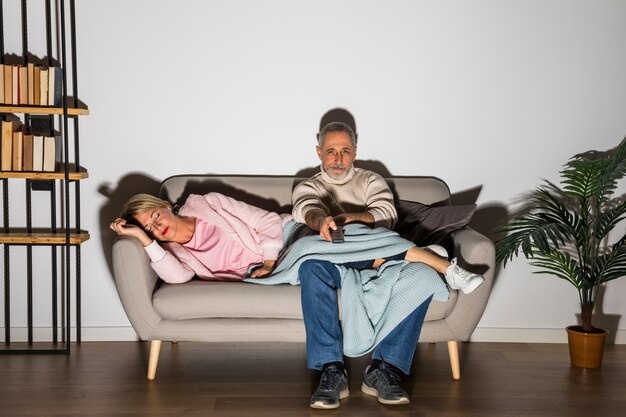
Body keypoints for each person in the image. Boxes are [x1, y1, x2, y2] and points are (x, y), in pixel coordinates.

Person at [292, 121, 484, 409]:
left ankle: (384, 370)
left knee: (421, 274)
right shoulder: (309, 185)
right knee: (310, 265)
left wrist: (343, 221)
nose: (338, 158)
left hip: (378, 255)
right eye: (331, 151)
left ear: (355, 151)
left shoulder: (371, 180)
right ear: (319, 152)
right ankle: (332, 370)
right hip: (333, 260)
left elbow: (385, 216)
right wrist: (323, 222)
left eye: (345, 150)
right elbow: (306, 209)